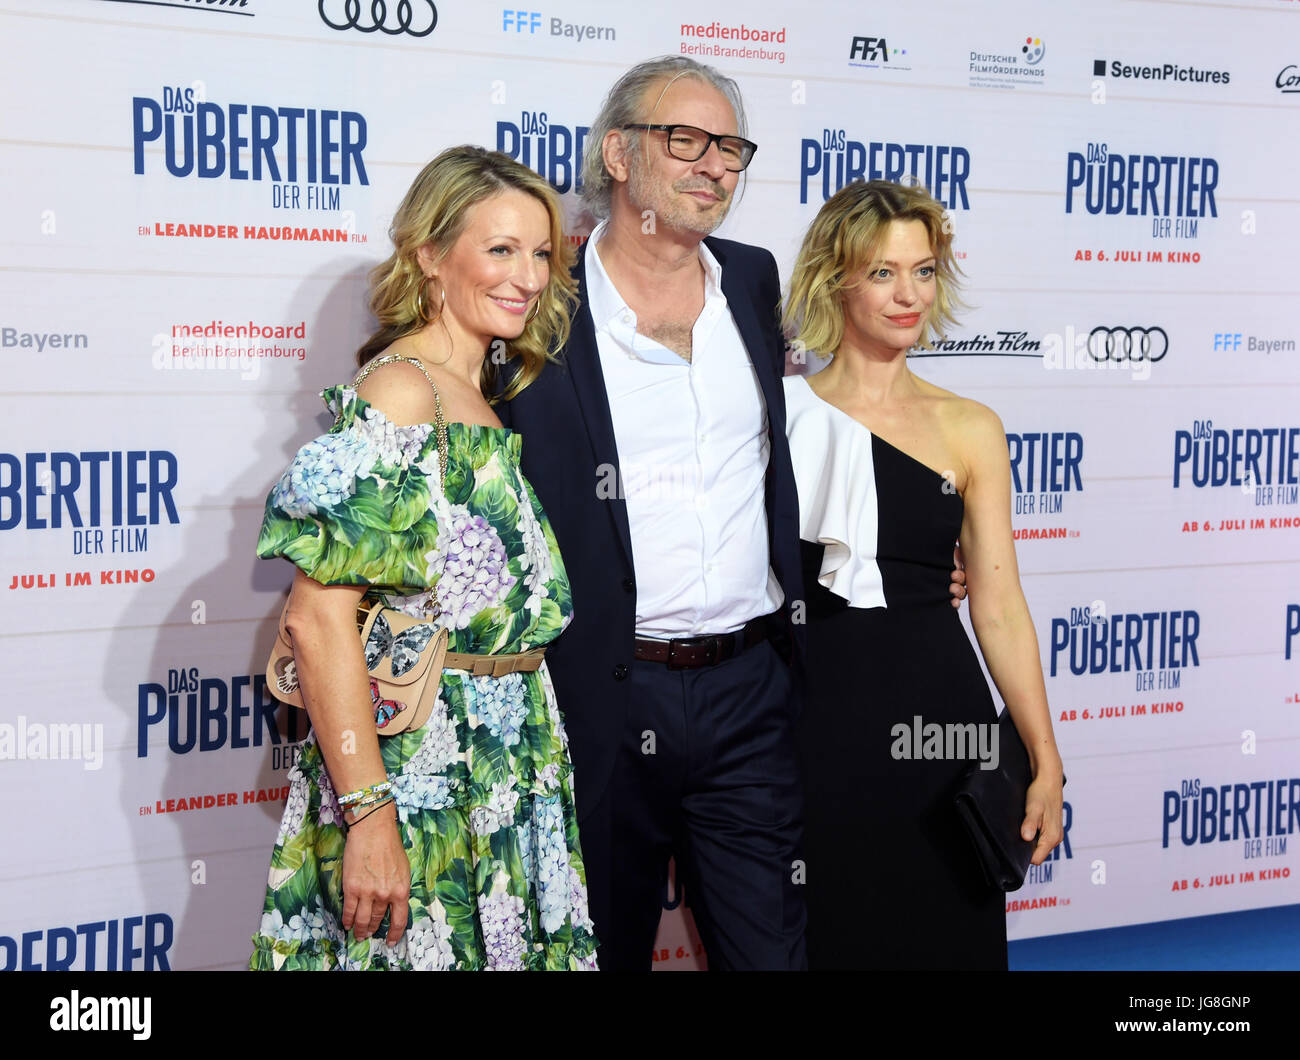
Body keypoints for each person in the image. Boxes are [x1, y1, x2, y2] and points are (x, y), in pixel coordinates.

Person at [496, 58, 965, 970]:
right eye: (687, 140)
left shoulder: (752, 281)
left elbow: (809, 436)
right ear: (618, 154)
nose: (716, 165)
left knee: (772, 954)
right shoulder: (540, 298)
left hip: (750, 694)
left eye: (731, 147)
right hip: (597, 693)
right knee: (596, 951)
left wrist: (901, 557)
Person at [248, 146, 598, 970]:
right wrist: (370, 817)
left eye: (541, 251)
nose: (528, 275)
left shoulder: (481, 393)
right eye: (500, 249)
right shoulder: (403, 391)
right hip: (423, 774)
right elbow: (315, 615)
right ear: (430, 257)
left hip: (509, 772)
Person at [781, 178, 1066, 969]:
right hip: (815, 723)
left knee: (946, 935)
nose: (907, 295)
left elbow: (1000, 604)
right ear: (834, 279)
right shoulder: (779, 417)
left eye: (924, 271)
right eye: (881, 272)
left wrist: (1044, 756)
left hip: (943, 721)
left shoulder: (970, 427)